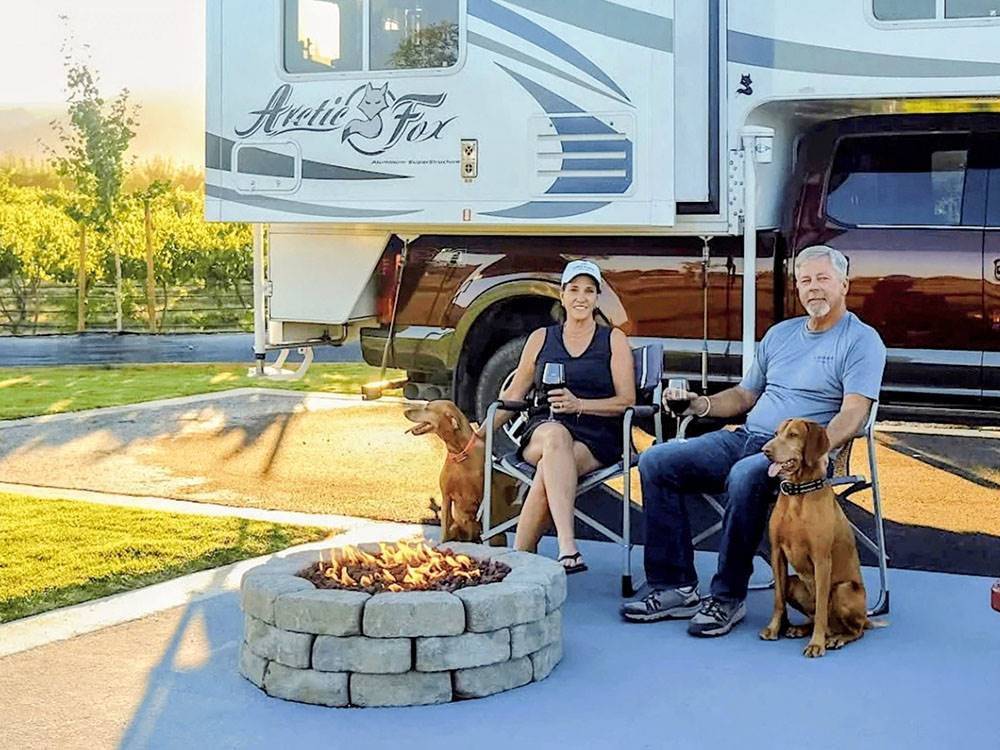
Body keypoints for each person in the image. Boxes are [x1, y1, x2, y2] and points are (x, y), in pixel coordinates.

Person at [622, 245, 886, 636]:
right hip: (747, 437)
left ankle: (727, 596)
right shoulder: (780, 335)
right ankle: (674, 585)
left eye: (823, 279)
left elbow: (853, 413)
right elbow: (745, 397)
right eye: (806, 280)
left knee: (746, 475)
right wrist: (701, 403)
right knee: (658, 461)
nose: (814, 288)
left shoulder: (860, 340)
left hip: (797, 459)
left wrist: (816, 449)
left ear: (844, 284)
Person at [481, 259, 635, 573]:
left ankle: (518, 568)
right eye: (574, 290)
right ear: (562, 295)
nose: (581, 297)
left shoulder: (613, 340)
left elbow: (626, 401)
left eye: (589, 291)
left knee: (547, 473)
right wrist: (479, 436)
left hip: (596, 436)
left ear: (596, 299)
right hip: (543, 428)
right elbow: (514, 395)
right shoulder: (541, 338)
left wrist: (580, 405)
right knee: (554, 436)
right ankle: (568, 547)